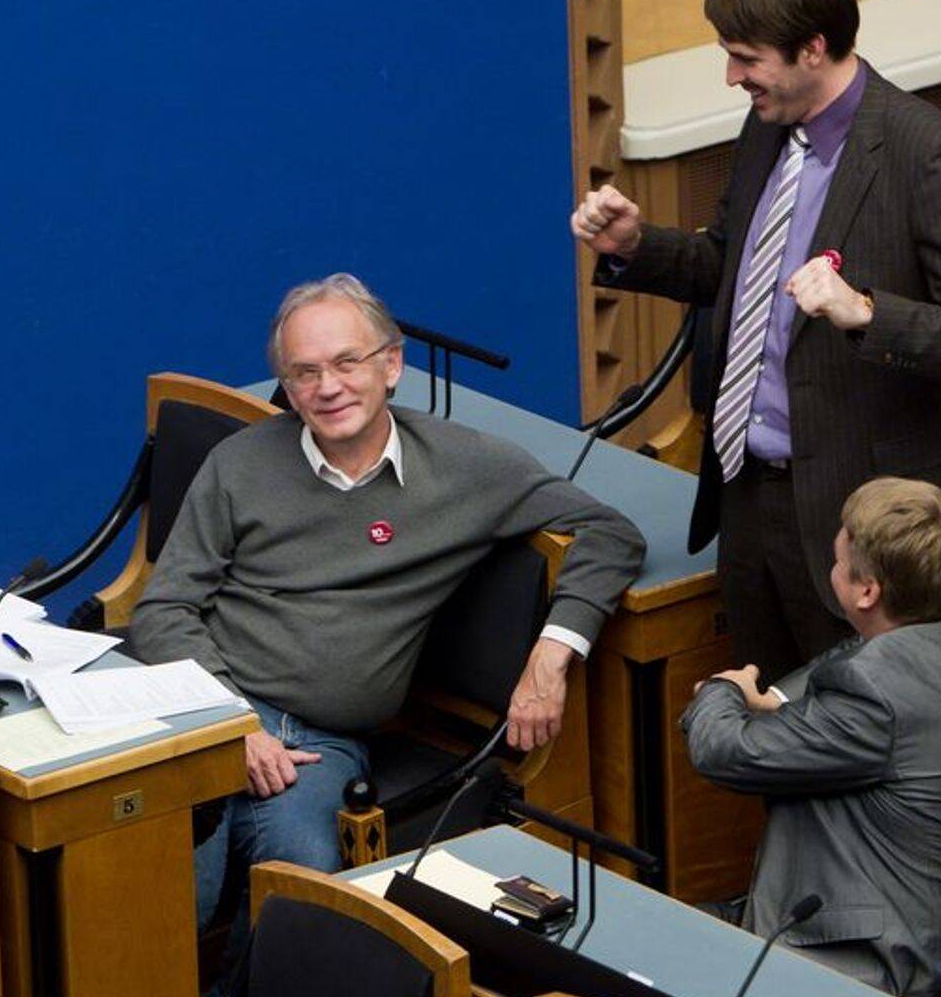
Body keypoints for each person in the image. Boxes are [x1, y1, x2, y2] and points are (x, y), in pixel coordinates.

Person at [129, 273, 645, 932]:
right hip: (204, 704)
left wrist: (553, 652)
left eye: (348, 361)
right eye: (305, 372)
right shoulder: (241, 464)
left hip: (319, 739)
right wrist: (231, 723)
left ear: (393, 363)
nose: (328, 386)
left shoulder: (464, 468)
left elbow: (611, 532)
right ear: (287, 387)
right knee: (166, 866)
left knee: (305, 879)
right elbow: (163, 610)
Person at [570, 0, 941, 682]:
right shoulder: (769, 126)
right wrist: (635, 244)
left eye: (746, 57)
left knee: (861, 747)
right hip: (750, 496)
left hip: (866, 522)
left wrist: (866, 312)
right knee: (769, 729)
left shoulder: (925, 152)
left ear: (813, 48)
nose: (730, 76)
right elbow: (731, 264)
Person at [682, 477, 941, 997]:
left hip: (875, 962)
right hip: (932, 920)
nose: (831, 566)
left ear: (867, 592)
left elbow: (724, 751)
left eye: (838, 560)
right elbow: (850, 657)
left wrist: (724, 690)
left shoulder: (877, 697)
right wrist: (777, 698)